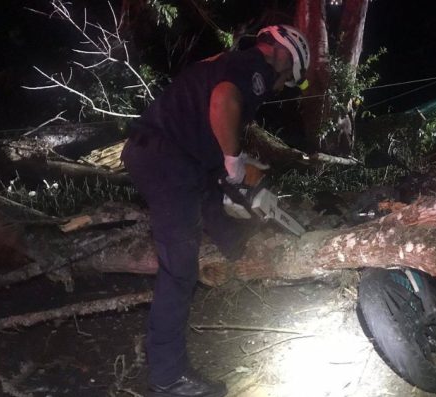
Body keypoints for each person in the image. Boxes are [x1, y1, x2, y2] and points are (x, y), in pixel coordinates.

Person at [121, 25, 310, 397]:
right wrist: (235, 162)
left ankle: (240, 252)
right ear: (284, 55)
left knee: (217, 196)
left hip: (176, 156)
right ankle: (168, 377)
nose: (279, 87)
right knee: (179, 269)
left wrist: (237, 168)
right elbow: (224, 102)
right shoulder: (255, 67)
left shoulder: (230, 62)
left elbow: (213, 130)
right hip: (167, 157)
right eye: (287, 78)